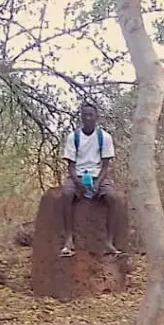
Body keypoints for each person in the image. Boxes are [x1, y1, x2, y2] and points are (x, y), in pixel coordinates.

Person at [60, 102, 123, 257]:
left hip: (98, 175)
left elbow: (106, 166)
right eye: (85, 115)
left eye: (91, 115)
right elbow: (70, 166)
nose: (88, 118)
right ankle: (69, 239)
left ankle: (108, 242)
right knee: (67, 194)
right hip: (78, 175)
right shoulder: (73, 137)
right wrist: (78, 183)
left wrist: (97, 184)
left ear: (96, 117)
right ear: (81, 117)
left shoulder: (104, 137)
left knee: (112, 198)